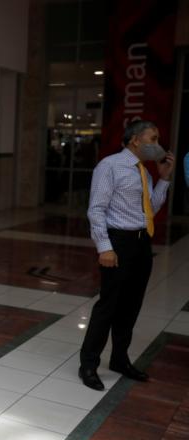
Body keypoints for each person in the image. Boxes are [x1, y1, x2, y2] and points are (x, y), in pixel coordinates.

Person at [79, 120, 175, 391]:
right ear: (135, 140)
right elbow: (96, 209)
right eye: (153, 138)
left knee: (131, 306)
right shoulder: (110, 166)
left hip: (141, 243)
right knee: (108, 306)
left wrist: (164, 178)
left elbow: (149, 210)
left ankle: (119, 359)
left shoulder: (142, 172)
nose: (157, 144)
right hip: (118, 243)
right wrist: (105, 247)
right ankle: (88, 363)